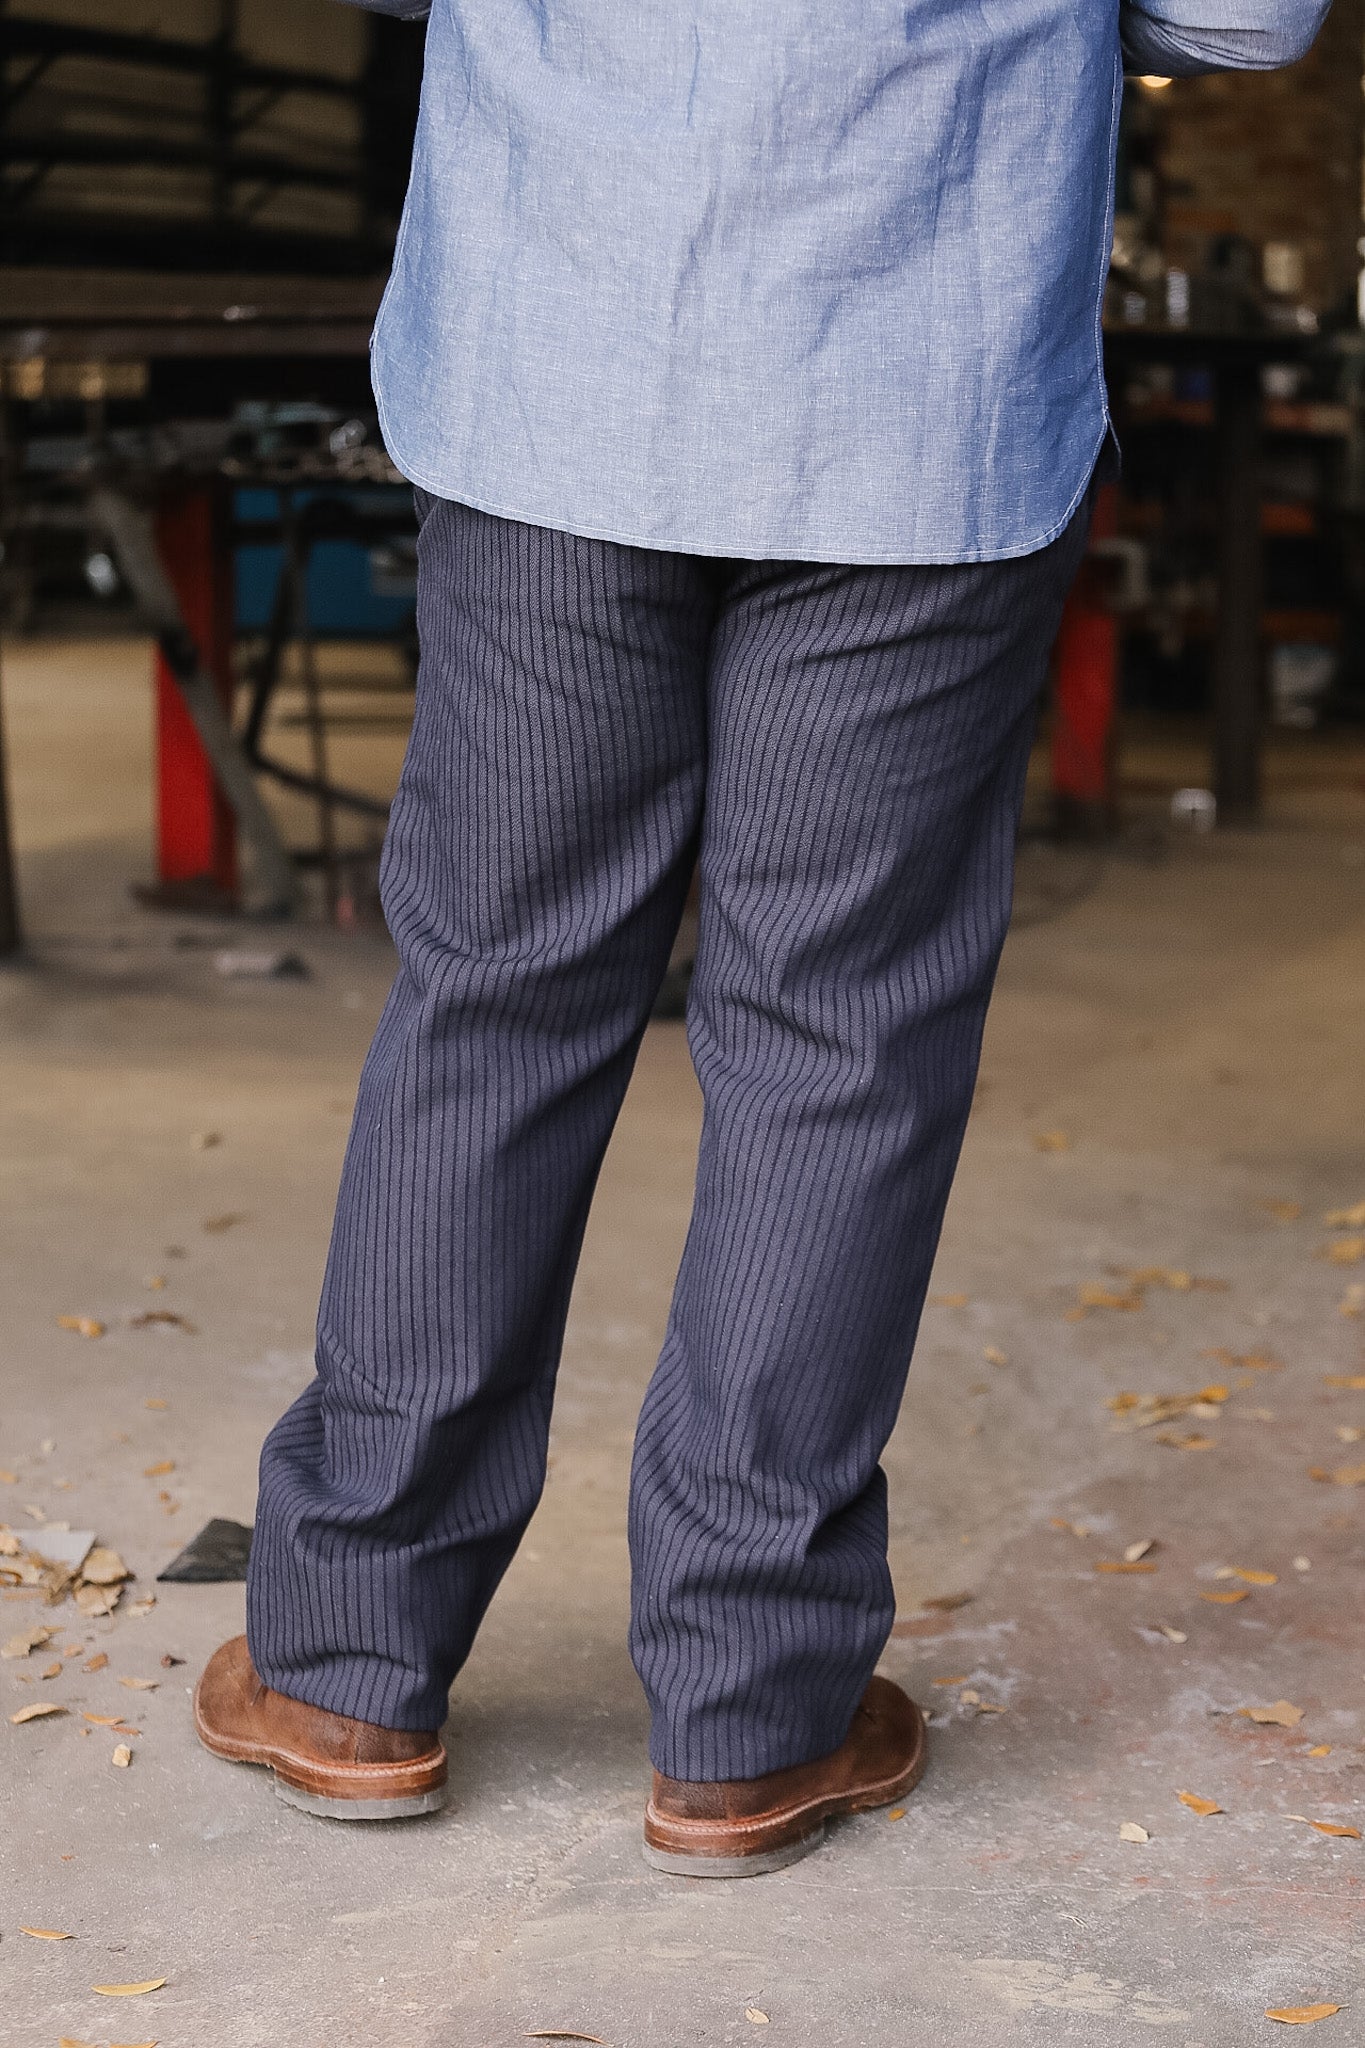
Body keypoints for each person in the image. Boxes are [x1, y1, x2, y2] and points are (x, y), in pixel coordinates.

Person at [195, 0, 1330, 1874]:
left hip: (558, 367)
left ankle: (347, 1663)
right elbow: (1241, 13)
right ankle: (751, 1711)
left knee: (497, 1000)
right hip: (919, 395)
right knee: (839, 1042)